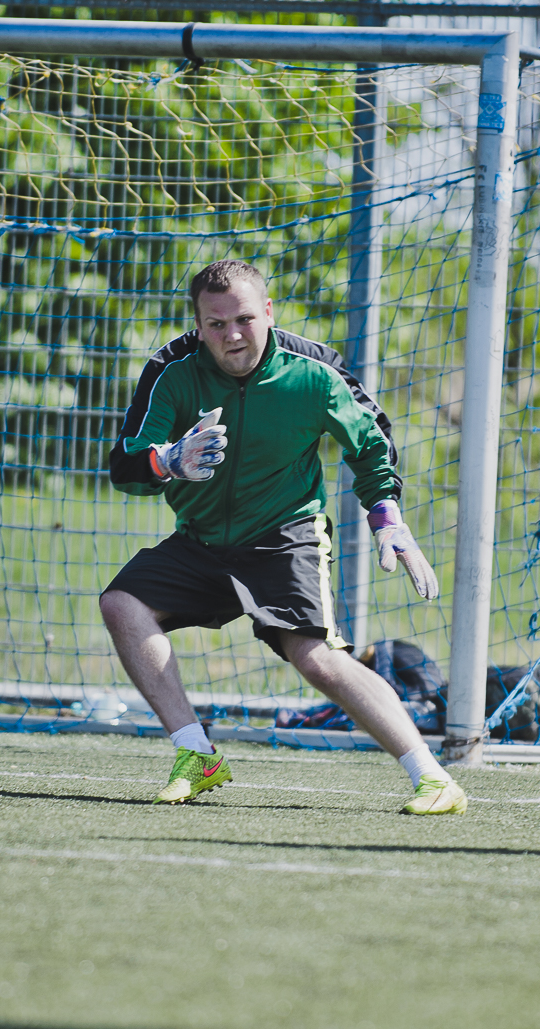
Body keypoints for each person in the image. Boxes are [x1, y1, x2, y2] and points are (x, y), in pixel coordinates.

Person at [100, 258, 467, 815]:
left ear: (268, 312)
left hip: (284, 535)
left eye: (244, 319)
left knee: (316, 659)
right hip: (200, 539)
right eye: (216, 324)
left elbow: (370, 443)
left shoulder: (314, 371)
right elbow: (127, 463)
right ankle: (196, 753)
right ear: (198, 324)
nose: (232, 335)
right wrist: (167, 461)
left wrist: (386, 516)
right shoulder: (172, 369)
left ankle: (434, 779)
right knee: (121, 604)